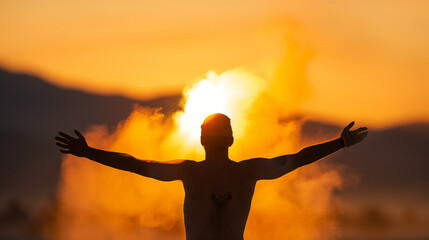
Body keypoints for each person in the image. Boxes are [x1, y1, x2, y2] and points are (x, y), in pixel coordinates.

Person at [55, 113, 368, 240]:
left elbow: (298, 158)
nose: (220, 134)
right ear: (203, 140)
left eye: (224, 129)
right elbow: (135, 163)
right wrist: (88, 152)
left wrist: (340, 143)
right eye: (214, 129)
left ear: (230, 139)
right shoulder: (192, 171)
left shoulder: (246, 171)